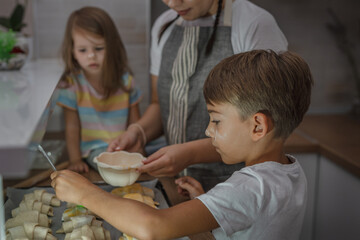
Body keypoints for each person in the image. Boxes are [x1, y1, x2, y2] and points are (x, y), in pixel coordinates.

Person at [51, 50, 312, 239]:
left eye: (217, 121)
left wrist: (84, 193)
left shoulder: (250, 188)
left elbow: (153, 226)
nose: (209, 130)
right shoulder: (288, 171)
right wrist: (208, 209)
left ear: (257, 126)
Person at [107, 0, 288, 190]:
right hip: (178, 185)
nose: (173, 3)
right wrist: (139, 132)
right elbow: (160, 104)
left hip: (237, 185)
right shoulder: (164, 25)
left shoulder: (255, 24)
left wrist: (189, 154)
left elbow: (268, 128)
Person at [57, 7, 142, 173]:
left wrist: (138, 150)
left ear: (111, 47)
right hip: (94, 150)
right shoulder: (72, 85)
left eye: (98, 48)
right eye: (83, 50)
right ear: (72, 51)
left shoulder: (126, 82)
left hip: (124, 145)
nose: (91, 56)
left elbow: (135, 124)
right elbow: (72, 128)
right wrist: (75, 160)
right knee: (111, 166)